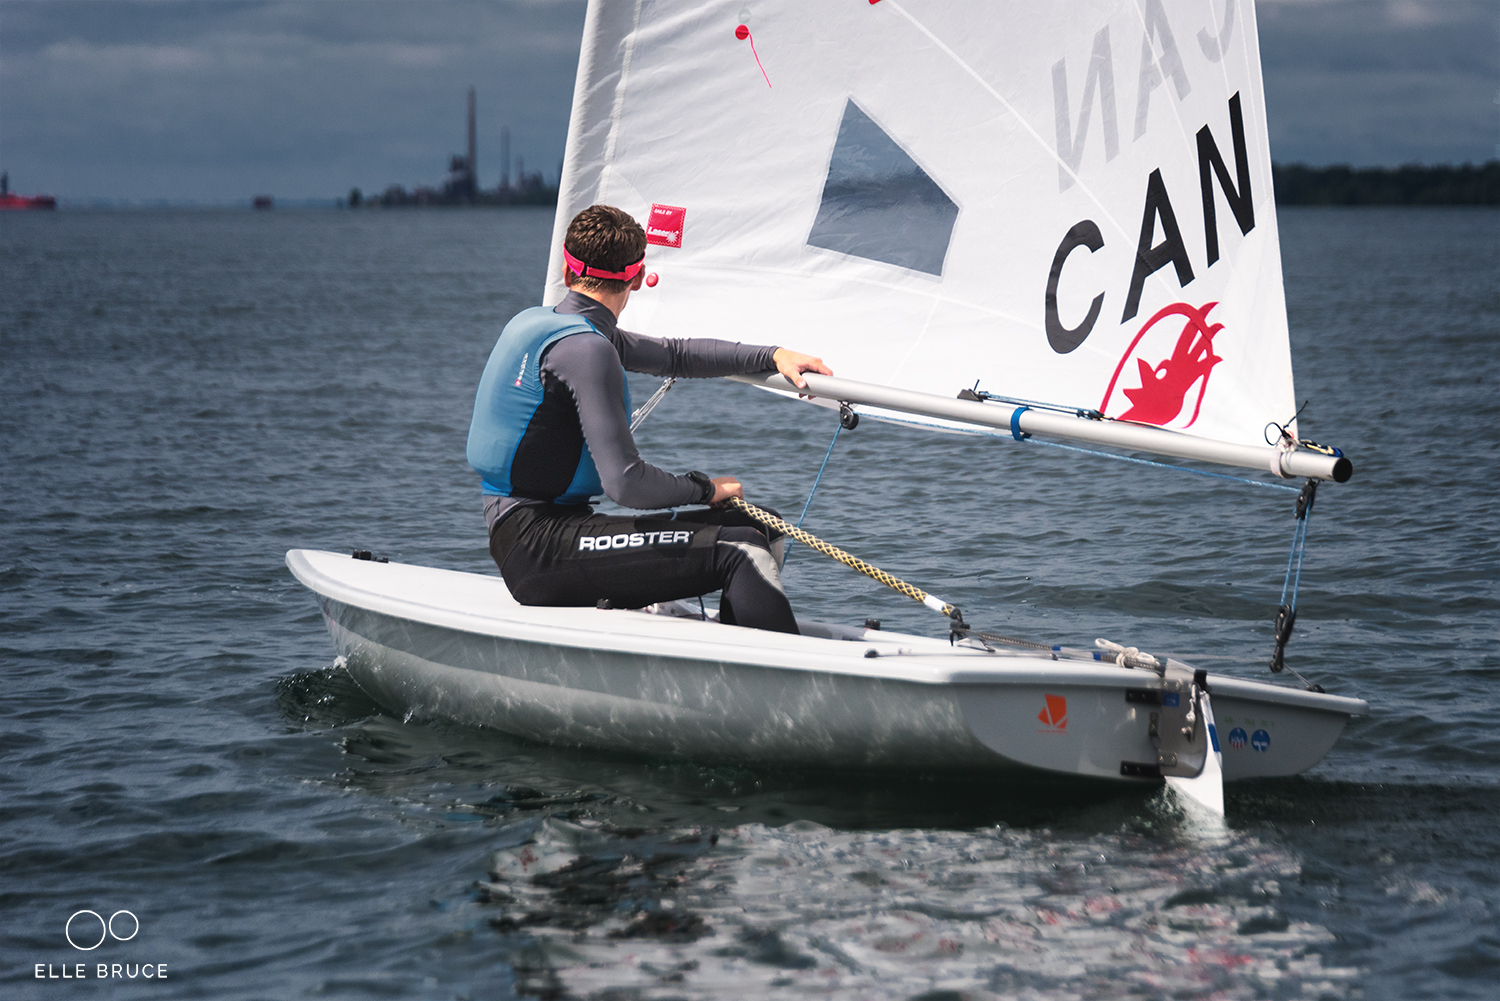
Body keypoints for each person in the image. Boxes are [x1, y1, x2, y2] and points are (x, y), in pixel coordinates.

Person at [466, 204, 832, 633]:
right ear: (637, 279)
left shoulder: (550, 325)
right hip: (535, 546)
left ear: (567, 274)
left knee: (758, 525)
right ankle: (781, 685)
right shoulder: (588, 349)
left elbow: (676, 354)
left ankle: (734, 657)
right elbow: (626, 484)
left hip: (552, 529)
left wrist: (771, 354)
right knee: (742, 549)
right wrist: (706, 489)